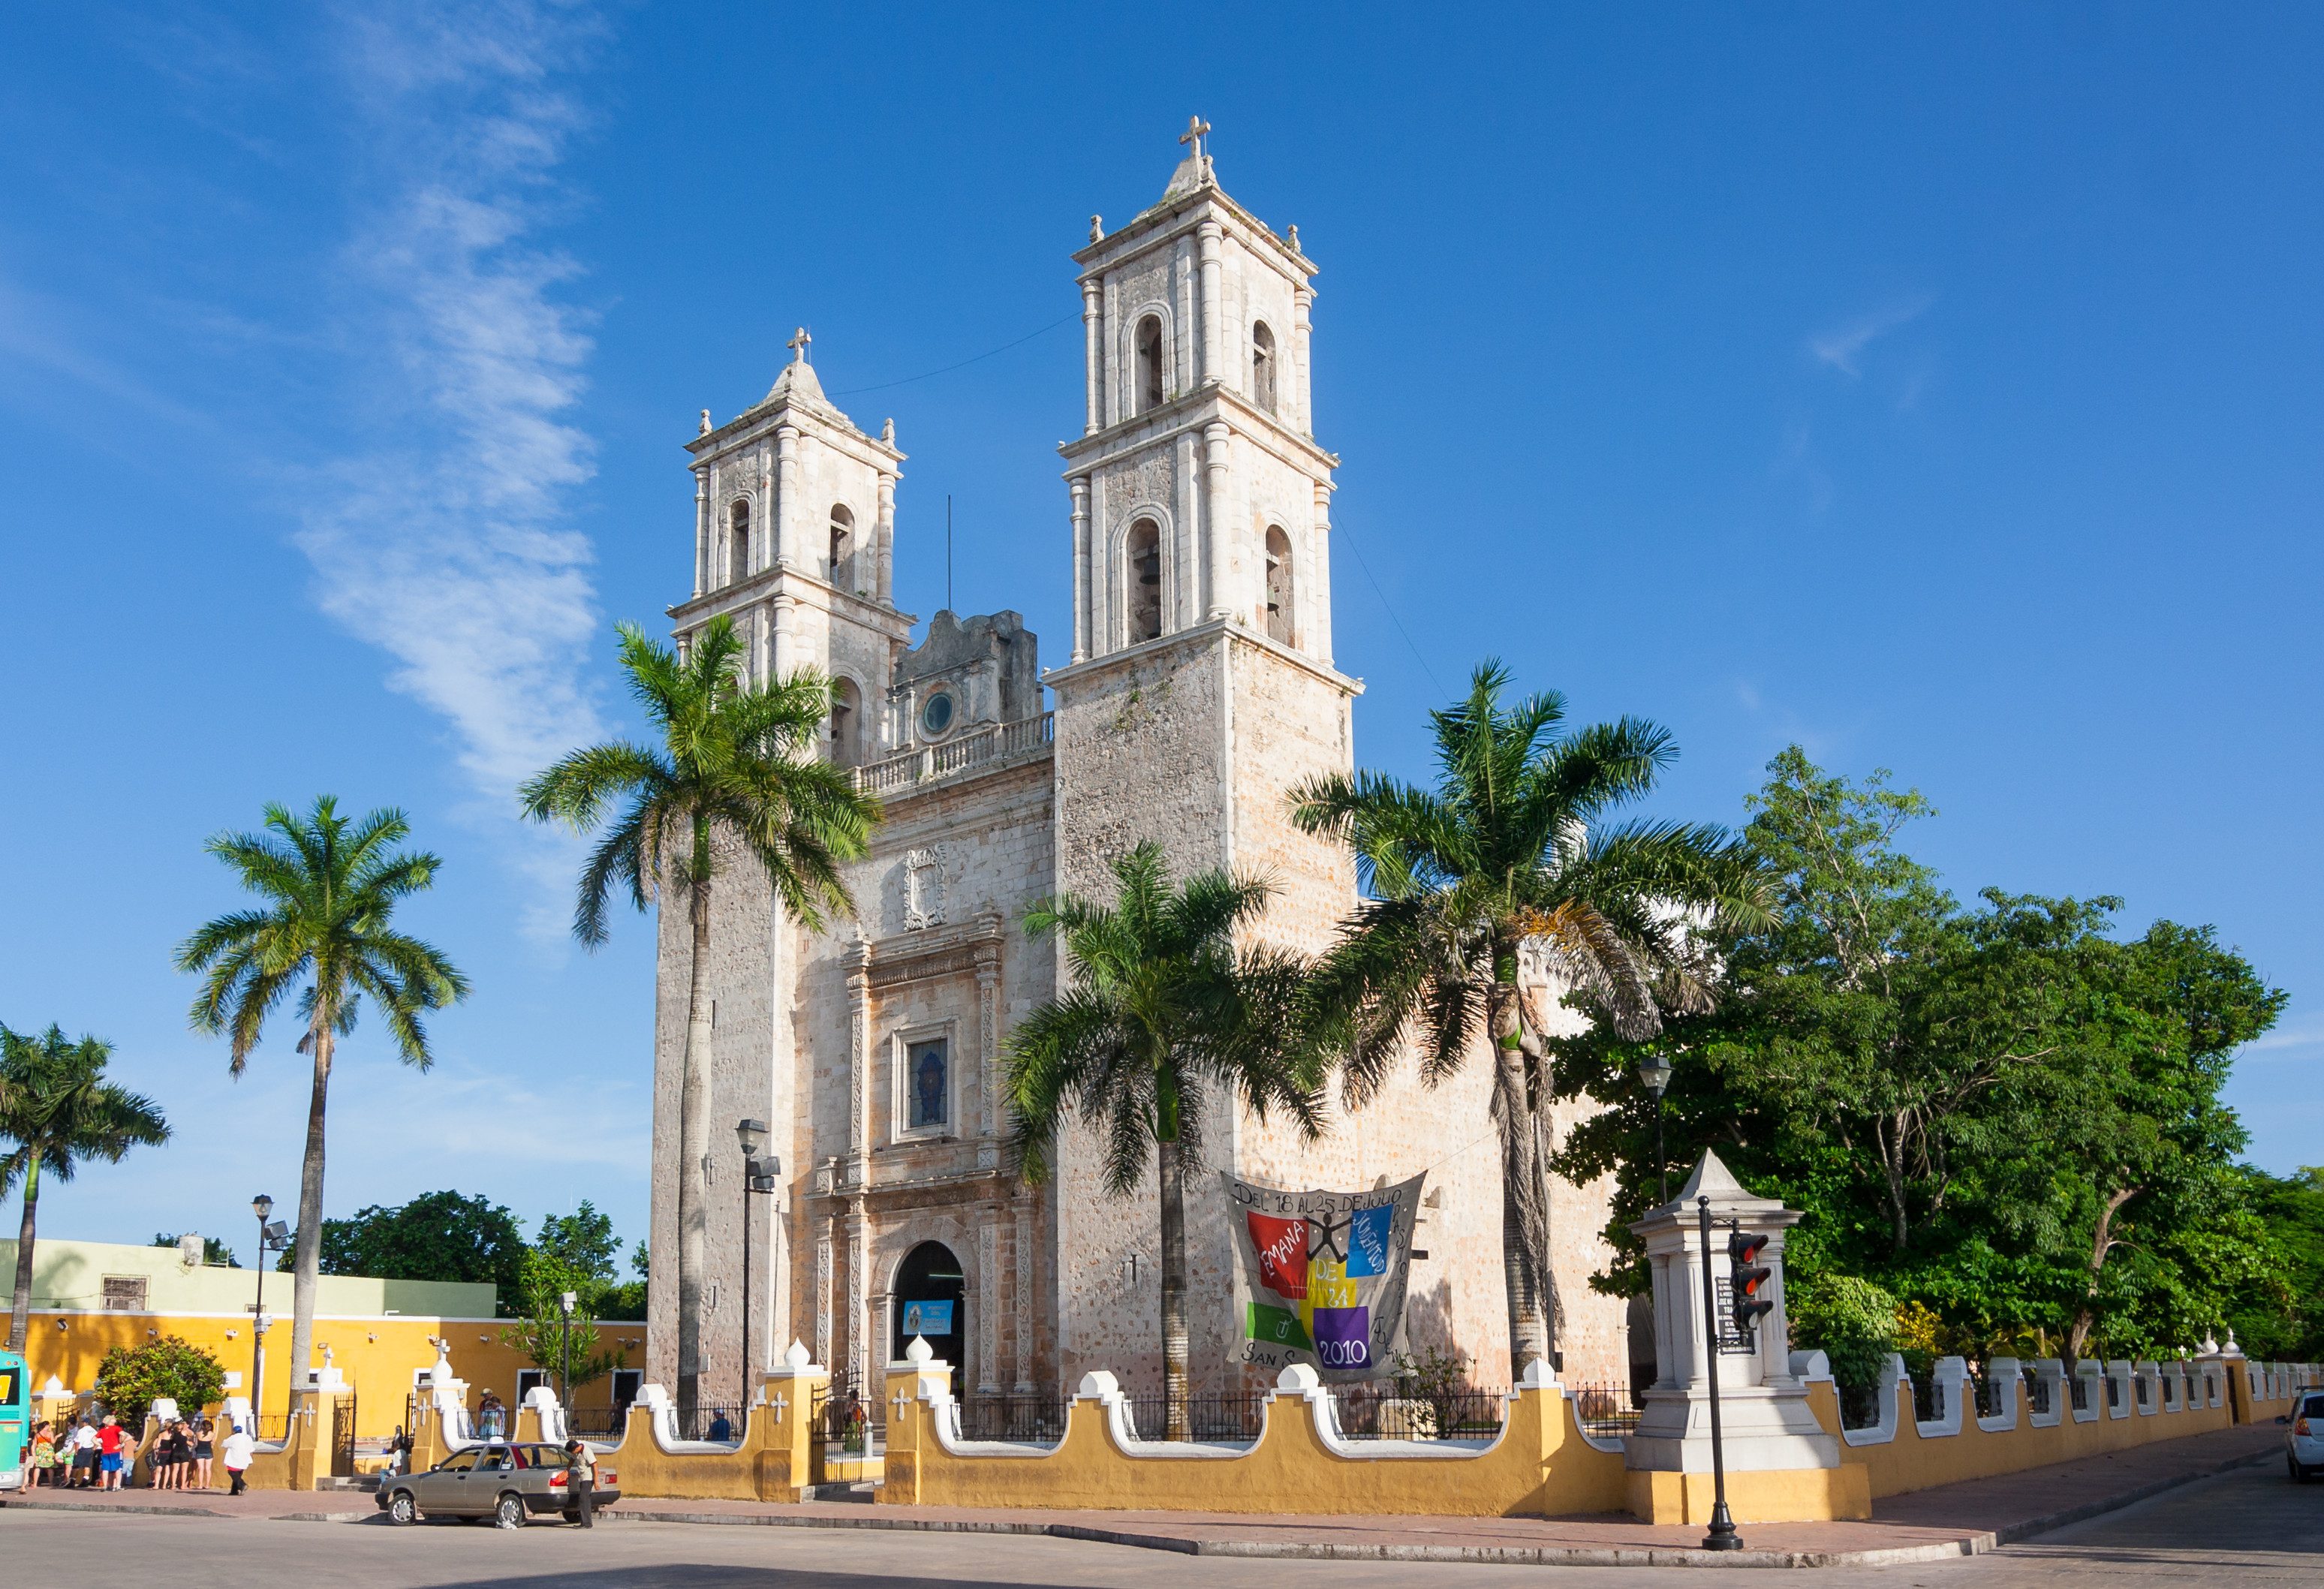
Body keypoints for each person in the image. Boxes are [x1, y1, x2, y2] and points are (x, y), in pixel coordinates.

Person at [563, 1438, 596, 1528]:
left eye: (571, 1452)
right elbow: (571, 1460)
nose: (572, 1454)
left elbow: (595, 1465)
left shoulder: (586, 1451)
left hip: (588, 1478)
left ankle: (586, 1523)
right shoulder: (576, 1452)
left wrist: (596, 1481)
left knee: (583, 1499)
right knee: (585, 1500)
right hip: (582, 1478)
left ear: (575, 1449)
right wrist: (567, 1470)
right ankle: (586, 1523)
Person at [221, 1420, 255, 1497]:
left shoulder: (233, 1438)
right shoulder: (247, 1437)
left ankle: (242, 1485)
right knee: (238, 1475)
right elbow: (251, 1449)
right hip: (245, 1458)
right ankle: (234, 1491)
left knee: (232, 1472)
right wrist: (251, 1458)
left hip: (234, 1459)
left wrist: (230, 1436)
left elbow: (224, 1444)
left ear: (234, 1431)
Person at [97, 1414, 125, 1491]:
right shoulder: (116, 1428)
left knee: (105, 1469)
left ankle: (105, 1486)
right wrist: (120, 1444)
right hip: (114, 1451)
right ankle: (117, 1485)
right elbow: (124, 1434)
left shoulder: (102, 1430)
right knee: (117, 1469)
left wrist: (100, 1445)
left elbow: (93, 1439)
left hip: (105, 1451)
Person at [71, 1416, 98, 1487]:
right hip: (90, 1449)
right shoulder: (94, 1431)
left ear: (85, 1423)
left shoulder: (81, 1430)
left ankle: (72, 1481)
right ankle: (85, 1481)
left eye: (83, 1422)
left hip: (82, 1449)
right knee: (87, 1465)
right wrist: (93, 1449)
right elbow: (97, 1441)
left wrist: (76, 1451)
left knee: (76, 1466)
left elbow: (77, 1442)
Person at [29, 1420, 56, 1488]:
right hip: (48, 1451)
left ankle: (35, 1484)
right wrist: (57, 1437)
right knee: (49, 1468)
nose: (49, 1427)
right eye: (49, 1425)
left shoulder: (37, 1434)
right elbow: (53, 1442)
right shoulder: (50, 1433)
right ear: (46, 1426)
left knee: (37, 1467)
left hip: (40, 1451)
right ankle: (51, 1483)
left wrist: (34, 1454)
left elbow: (34, 1445)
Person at [193, 1416, 215, 1490]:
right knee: (208, 1469)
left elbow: (196, 1443)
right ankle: (207, 1485)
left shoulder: (198, 1433)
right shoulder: (212, 1434)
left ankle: (200, 1485)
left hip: (200, 1452)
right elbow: (213, 1444)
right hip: (208, 1452)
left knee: (201, 1469)